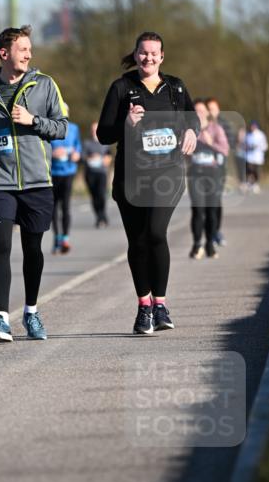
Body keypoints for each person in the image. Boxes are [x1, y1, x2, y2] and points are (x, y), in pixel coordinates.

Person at [0, 24, 67, 343]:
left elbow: (62, 127)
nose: (28, 54)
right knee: (2, 244)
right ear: (4, 53)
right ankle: (1, 318)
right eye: (23, 49)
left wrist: (33, 121)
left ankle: (31, 312)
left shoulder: (44, 84)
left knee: (32, 249)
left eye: (29, 49)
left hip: (37, 181)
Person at [97, 30, 199, 335]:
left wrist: (191, 131)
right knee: (138, 241)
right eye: (143, 52)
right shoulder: (122, 88)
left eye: (154, 53)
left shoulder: (175, 87)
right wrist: (126, 123)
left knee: (155, 232)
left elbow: (192, 118)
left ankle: (161, 304)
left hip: (167, 174)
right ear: (136, 54)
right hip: (132, 177)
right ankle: (144, 306)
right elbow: (104, 134)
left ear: (162, 57)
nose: (148, 58)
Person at [187, 100, 229, 260]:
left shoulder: (216, 129)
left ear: (207, 112)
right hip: (195, 174)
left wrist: (211, 143)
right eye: (196, 110)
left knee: (212, 211)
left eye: (202, 110)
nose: (199, 113)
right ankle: (197, 244)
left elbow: (225, 150)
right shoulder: (189, 130)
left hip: (213, 174)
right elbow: (182, 153)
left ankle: (210, 243)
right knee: (197, 210)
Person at [50, 111, 82, 253]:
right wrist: (52, 154)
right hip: (52, 173)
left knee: (65, 207)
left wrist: (76, 154)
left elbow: (78, 146)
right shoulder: (48, 127)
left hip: (68, 171)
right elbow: (41, 148)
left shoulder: (74, 128)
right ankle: (57, 238)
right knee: (53, 208)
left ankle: (65, 238)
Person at [205, 97, 232, 246]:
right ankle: (210, 233)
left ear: (218, 109)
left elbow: (229, 145)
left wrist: (213, 144)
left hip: (219, 169)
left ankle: (216, 231)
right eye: (208, 109)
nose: (211, 112)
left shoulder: (224, 125)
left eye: (213, 109)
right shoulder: (201, 125)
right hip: (202, 170)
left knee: (216, 201)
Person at [82, 121, 112, 228]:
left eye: (95, 129)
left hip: (102, 172)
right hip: (90, 173)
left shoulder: (105, 142)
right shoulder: (86, 143)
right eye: (92, 130)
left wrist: (105, 160)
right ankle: (99, 218)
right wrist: (90, 158)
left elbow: (109, 155)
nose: (94, 131)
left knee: (101, 195)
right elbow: (82, 156)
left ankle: (102, 217)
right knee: (94, 196)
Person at [244, 121, 268, 192]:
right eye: (251, 126)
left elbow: (265, 146)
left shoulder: (261, 135)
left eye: (254, 126)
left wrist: (258, 147)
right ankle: (250, 182)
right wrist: (247, 147)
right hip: (249, 156)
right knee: (249, 169)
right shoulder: (248, 134)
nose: (252, 128)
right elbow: (245, 144)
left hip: (258, 156)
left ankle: (255, 184)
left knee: (256, 171)